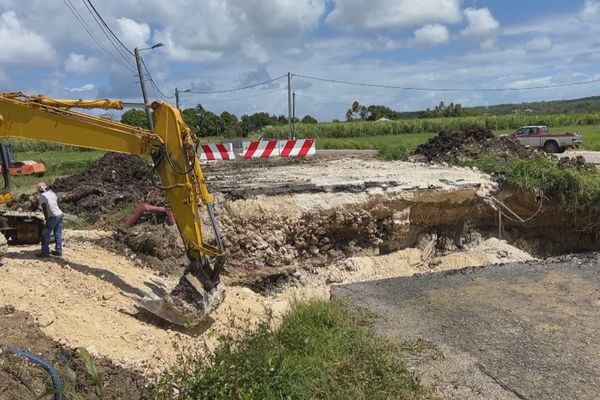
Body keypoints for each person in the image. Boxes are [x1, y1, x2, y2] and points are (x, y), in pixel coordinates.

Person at [37, 182, 63, 258]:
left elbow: (44, 209)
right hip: (60, 214)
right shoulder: (52, 193)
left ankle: (45, 252)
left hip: (53, 216)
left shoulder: (42, 196)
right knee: (58, 233)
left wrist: (46, 219)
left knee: (45, 234)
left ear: (39, 189)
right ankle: (59, 251)